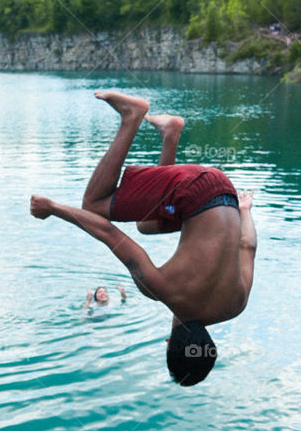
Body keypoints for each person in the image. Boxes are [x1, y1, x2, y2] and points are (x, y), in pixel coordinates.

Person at [31, 91, 256, 386]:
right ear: (167, 343)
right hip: (193, 188)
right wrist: (53, 208)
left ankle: (170, 132)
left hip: (224, 193)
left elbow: (247, 246)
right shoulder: (161, 289)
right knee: (95, 204)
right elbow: (109, 232)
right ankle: (131, 116)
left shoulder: (236, 304)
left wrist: (244, 211)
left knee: (147, 225)